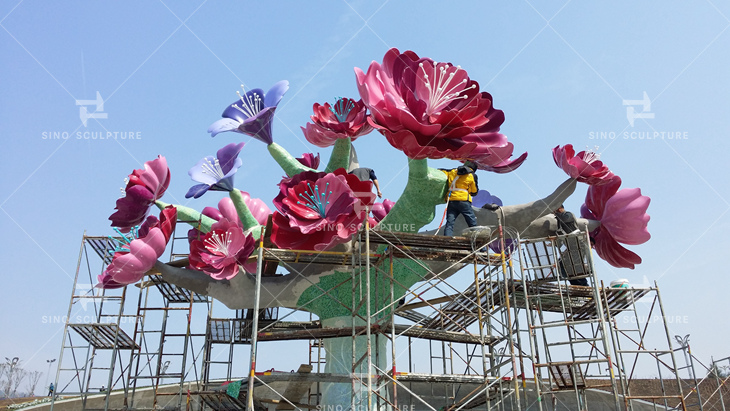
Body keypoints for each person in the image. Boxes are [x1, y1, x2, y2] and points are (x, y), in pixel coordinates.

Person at [553, 205, 589, 286]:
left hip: (578, 244)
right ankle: (574, 283)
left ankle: (583, 285)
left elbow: (566, 219)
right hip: (571, 246)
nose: (554, 213)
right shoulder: (559, 219)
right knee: (562, 265)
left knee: (576, 266)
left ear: (559, 208)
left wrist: (556, 214)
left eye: (555, 210)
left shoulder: (568, 214)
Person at [442, 161, 479, 236]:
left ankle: (447, 240)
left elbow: (440, 172)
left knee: (450, 223)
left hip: (451, 200)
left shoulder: (452, 171)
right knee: (471, 221)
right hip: (464, 201)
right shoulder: (471, 175)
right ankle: (477, 239)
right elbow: (474, 192)